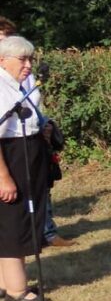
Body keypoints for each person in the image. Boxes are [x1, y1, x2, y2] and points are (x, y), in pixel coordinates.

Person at [0, 17, 76, 248]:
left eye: (5, 38)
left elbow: (33, 102)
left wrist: (44, 124)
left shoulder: (26, 73)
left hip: (32, 141)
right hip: (11, 148)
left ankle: (46, 231)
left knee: (40, 188)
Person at [0, 36, 49, 301]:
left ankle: (6, 283)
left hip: (26, 153)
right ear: (2, 61)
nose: (28, 65)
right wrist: (4, 177)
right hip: (11, 158)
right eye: (22, 59)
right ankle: (18, 290)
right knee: (13, 221)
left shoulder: (18, 86)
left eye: (31, 59)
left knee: (12, 220)